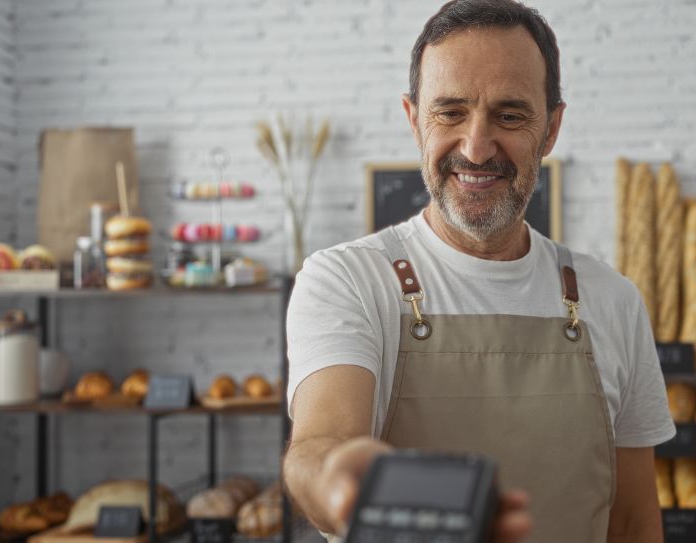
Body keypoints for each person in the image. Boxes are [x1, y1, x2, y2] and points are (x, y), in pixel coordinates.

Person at [283, 0, 675, 541]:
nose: (476, 146)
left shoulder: (611, 298)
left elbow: (632, 519)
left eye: (510, 115)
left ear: (552, 128)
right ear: (413, 119)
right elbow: (317, 443)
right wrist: (334, 482)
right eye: (450, 112)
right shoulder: (347, 279)